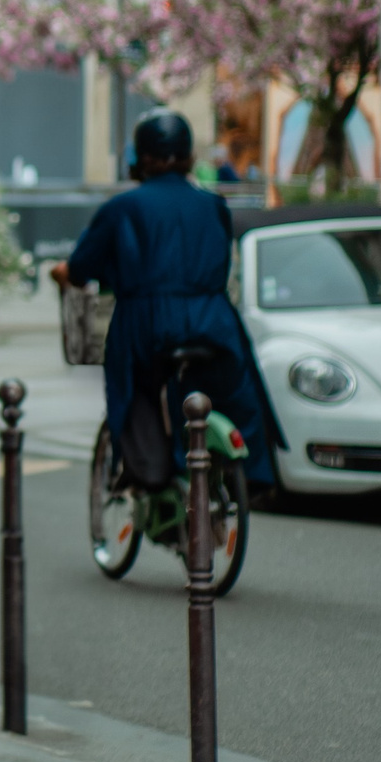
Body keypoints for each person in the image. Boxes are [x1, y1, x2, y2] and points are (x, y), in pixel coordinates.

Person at [52, 110, 278, 491]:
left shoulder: (122, 208)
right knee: (232, 386)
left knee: (134, 389)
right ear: (188, 155)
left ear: (139, 157)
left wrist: (65, 274)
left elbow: (82, 267)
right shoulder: (213, 206)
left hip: (147, 321)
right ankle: (250, 473)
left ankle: (149, 471)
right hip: (212, 318)